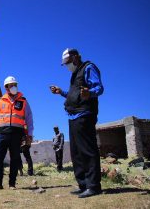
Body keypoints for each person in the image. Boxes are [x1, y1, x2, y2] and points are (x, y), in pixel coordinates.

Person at [50, 48, 104, 198]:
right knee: (76, 152)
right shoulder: (74, 75)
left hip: (85, 114)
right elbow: (74, 95)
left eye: (67, 63)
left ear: (74, 58)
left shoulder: (88, 67)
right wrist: (61, 92)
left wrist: (90, 93)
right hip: (73, 117)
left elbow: (99, 88)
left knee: (87, 150)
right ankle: (83, 185)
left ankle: (93, 186)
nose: (67, 66)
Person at [0, 76, 34, 193]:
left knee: (15, 158)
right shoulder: (0, 101)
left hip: (16, 134)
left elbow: (29, 118)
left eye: (15, 84)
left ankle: (12, 183)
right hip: (1, 134)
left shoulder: (23, 101)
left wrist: (30, 134)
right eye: (11, 85)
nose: (13, 87)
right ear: (6, 87)